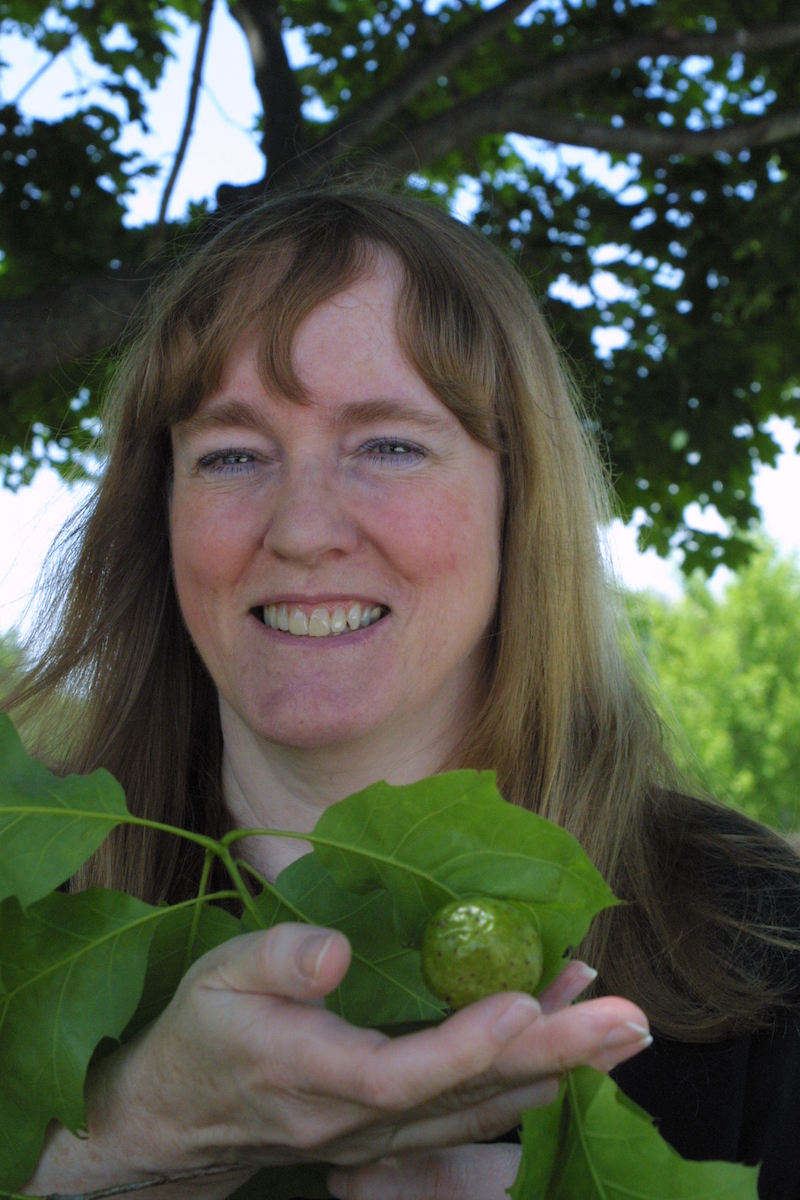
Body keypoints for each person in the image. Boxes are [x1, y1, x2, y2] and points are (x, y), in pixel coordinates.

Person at [6, 186, 800, 1200]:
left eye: (388, 445)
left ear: (520, 504)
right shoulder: (22, 901)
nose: (301, 527)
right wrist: (101, 1150)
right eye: (232, 454)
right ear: (156, 516)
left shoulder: (758, 949)